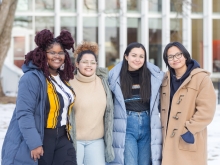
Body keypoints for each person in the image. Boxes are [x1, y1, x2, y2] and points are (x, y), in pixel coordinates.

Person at [1, 29, 77, 165]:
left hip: (63, 137)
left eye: (60, 53)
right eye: (52, 52)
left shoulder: (62, 79)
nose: (57, 56)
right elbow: (24, 113)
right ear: (43, 54)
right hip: (42, 137)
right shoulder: (31, 78)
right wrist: (34, 143)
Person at [107, 42, 164, 165]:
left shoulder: (153, 76)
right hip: (126, 124)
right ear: (126, 56)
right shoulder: (115, 77)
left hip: (148, 124)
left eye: (141, 56)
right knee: (129, 162)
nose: (137, 59)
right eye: (134, 55)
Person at [160, 42, 216, 165]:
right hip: (167, 139)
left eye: (178, 54)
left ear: (185, 55)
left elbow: (207, 110)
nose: (175, 59)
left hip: (187, 137)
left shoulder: (201, 78)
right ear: (167, 60)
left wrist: (189, 130)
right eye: (170, 57)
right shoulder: (165, 79)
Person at [69, 41, 115, 165]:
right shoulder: (68, 83)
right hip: (74, 142)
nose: (89, 65)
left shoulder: (104, 82)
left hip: (97, 142)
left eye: (92, 62)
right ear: (77, 64)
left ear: (96, 65)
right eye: (84, 62)